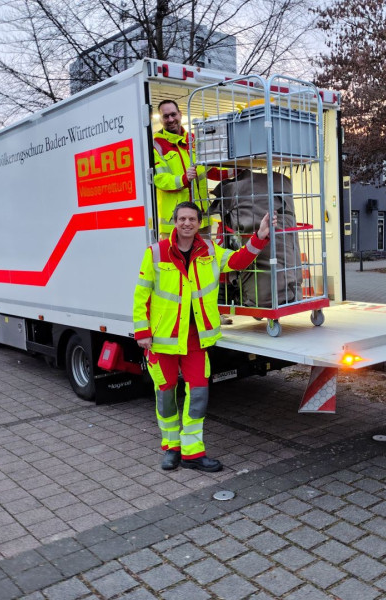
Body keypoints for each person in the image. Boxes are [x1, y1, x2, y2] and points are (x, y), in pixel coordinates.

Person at [133, 201, 276, 472]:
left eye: (192, 219)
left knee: (198, 393)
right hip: (163, 339)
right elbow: (142, 295)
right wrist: (142, 332)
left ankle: (192, 452)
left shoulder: (210, 250)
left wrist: (259, 237)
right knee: (165, 395)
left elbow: (237, 260)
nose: (187, 223)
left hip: (196, 339)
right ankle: (171, 448)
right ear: (175, 222)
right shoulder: (156, 253)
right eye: (182, 219)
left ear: (199, 223)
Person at [152, 99, 236, 239]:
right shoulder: (157, 145)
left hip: (201, 219)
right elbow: (160, 180)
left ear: (180, 114)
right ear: (160, 119)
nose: (171, 119)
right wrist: (184, 179)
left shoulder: (194, 140)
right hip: (175, 223)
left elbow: (212, 171)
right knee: (176, 254)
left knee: (205, 253)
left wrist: (237, 169)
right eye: (166, 116)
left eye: (173, 114)